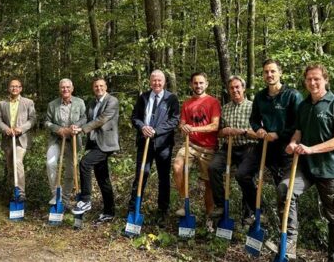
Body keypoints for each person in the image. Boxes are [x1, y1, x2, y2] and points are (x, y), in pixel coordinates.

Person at [281, 64, 334, 262]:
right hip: (305, 167)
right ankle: (289, 246)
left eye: (317, 79)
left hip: (330, 170)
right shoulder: (303, 106)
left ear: (325, 80)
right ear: (305, 81)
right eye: (309, 79)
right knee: (285, 190)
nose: (312, 83)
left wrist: (312, 149)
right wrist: (293, 143)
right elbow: (298, 132)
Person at [250, 59, 303, 257]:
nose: (269, 75)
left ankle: (289, 241)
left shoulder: (292, 95)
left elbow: (298, 123)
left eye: (272, 71)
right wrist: (260, 129)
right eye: (266, 72)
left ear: (280, 73)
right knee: (244, 173)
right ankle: (258, 216)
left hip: (287, 151)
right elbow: (254, 120)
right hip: (266, 147)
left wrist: (279, 134)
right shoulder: (260, 96)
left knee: (285, 192)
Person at [128, 70, 180, 227]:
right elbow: (135, 117)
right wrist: (142, 127)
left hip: (163, 144)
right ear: (150, 82)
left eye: (159, 81)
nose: (156, 83)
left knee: (163, 178)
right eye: (154, 80)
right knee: (141, 175)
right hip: (144, 143)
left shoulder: (171, 98)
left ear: (164, 82)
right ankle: (133, 210)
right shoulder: (143, 97)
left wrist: (156, 131)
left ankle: (162, 212)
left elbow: (174, 120)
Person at [208, 75, 258, 221]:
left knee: (243, 175)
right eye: (232, 88)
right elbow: (218, 132)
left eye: (237, 87)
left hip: (248, 147)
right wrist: (223, 132)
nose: (235, 90)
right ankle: (221, 204)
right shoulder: (224, 109)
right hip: (228, 147)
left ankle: (250, 212)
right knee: (213, 167)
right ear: (228, 90)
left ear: (243, 88)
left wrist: (242, 131)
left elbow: (260, 134)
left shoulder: (253, 107)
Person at [71, 78, 120, 224]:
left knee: (85, 163)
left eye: (101, 86)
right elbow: (86, 118)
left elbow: (102, 119)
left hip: (106, 143)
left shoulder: (112, 101)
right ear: (93, 88)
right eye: (96, 86)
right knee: (102, 177)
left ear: (106, 87)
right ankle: (109, 212)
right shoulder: (92, 102)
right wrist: (76, 126)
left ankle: (85, 200)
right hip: (94, 142)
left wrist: (83, 129)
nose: (99, 88)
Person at [173, 72, 221, 218]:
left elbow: (214, 126)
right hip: (190, 145)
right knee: (177, 167)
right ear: (191, 84)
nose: (198, 86)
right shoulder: (187, 103)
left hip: (208, 147)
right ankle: (184, 202)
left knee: (208, 184)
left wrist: (193, 128)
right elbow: (181, 123)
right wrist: (183, 127)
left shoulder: (213, 102)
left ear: (206, 84)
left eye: (201, 83)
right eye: (195, 83)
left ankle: (209, 216)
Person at [44, 78, 87, 206]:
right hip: (56, 139)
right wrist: (58, 129)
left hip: (72, 140)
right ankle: (55, 194)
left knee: (70, 170)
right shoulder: (53, 104)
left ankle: (66, 198)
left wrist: (76, 125)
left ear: (72, 88)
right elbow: (47, 122)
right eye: (63, 87)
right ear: (59, 89)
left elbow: (85, 117)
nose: (65, 89)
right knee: (50, 163)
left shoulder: (79, 103)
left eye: (68, 87)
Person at [0, 79, 36, 202]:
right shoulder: (2, 104)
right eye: (12, 86)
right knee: (10, 167)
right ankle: (11, 190)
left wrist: (21, 129)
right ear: (9, 88)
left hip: (22, 139)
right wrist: (6, 129)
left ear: (21, 88)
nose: (15, 88)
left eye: (17, 86)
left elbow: (32, 119)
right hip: (8, 139)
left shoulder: (28, 103)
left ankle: (21, 193)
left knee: (17, 161)